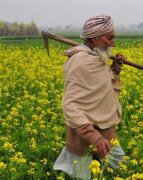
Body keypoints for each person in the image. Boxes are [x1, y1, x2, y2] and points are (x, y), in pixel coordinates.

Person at [53, 15, 125, 179]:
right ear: (94, 38)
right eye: (110, 38)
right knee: (80, 174)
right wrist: (95, 138)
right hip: (85, 132)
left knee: (121, 169)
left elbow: (100, 86)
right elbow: (70, 105)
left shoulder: (95, 57)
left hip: (106, 131)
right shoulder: (80, 62)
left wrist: (115, 68)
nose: (113, 43)